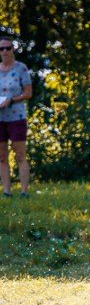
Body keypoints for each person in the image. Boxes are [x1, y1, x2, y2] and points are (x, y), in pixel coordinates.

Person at [0, 36, 32, 198]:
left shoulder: (21, 68)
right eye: (1, 49)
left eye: (8, 48)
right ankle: (6, 191)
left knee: (20, 155)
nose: (4, 51)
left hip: (16, 117)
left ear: (13, 49)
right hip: (0, 119)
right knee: (2, 157)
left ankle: (24, 192)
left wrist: (11, 100)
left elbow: (28, 93)